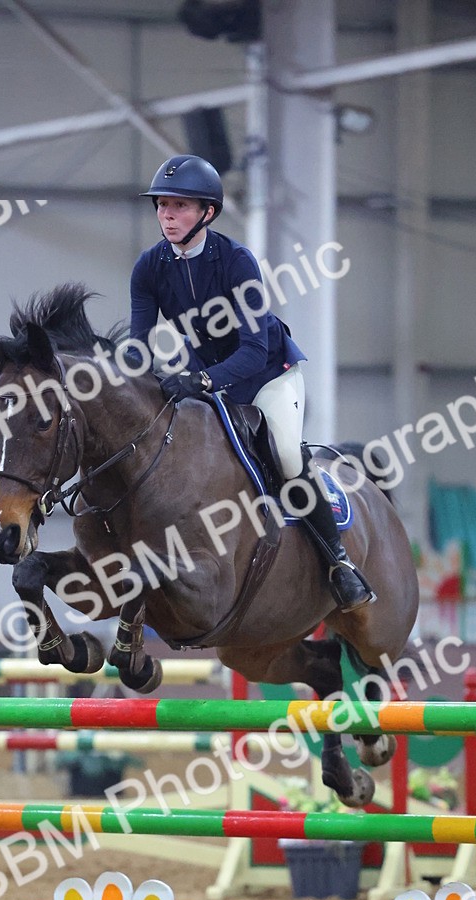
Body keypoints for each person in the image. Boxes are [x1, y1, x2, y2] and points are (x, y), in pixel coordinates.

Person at [130, 153, 374, 613]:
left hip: (266, 375)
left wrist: (200, 380)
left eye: (180, 206)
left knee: (283, 453)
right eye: (162, 205)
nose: (167, 215)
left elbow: (254, 350)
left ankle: (338, 562)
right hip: (205, 378)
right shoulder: (149, 267)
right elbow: (138, 345)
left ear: (208, 212)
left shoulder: (237, 261)